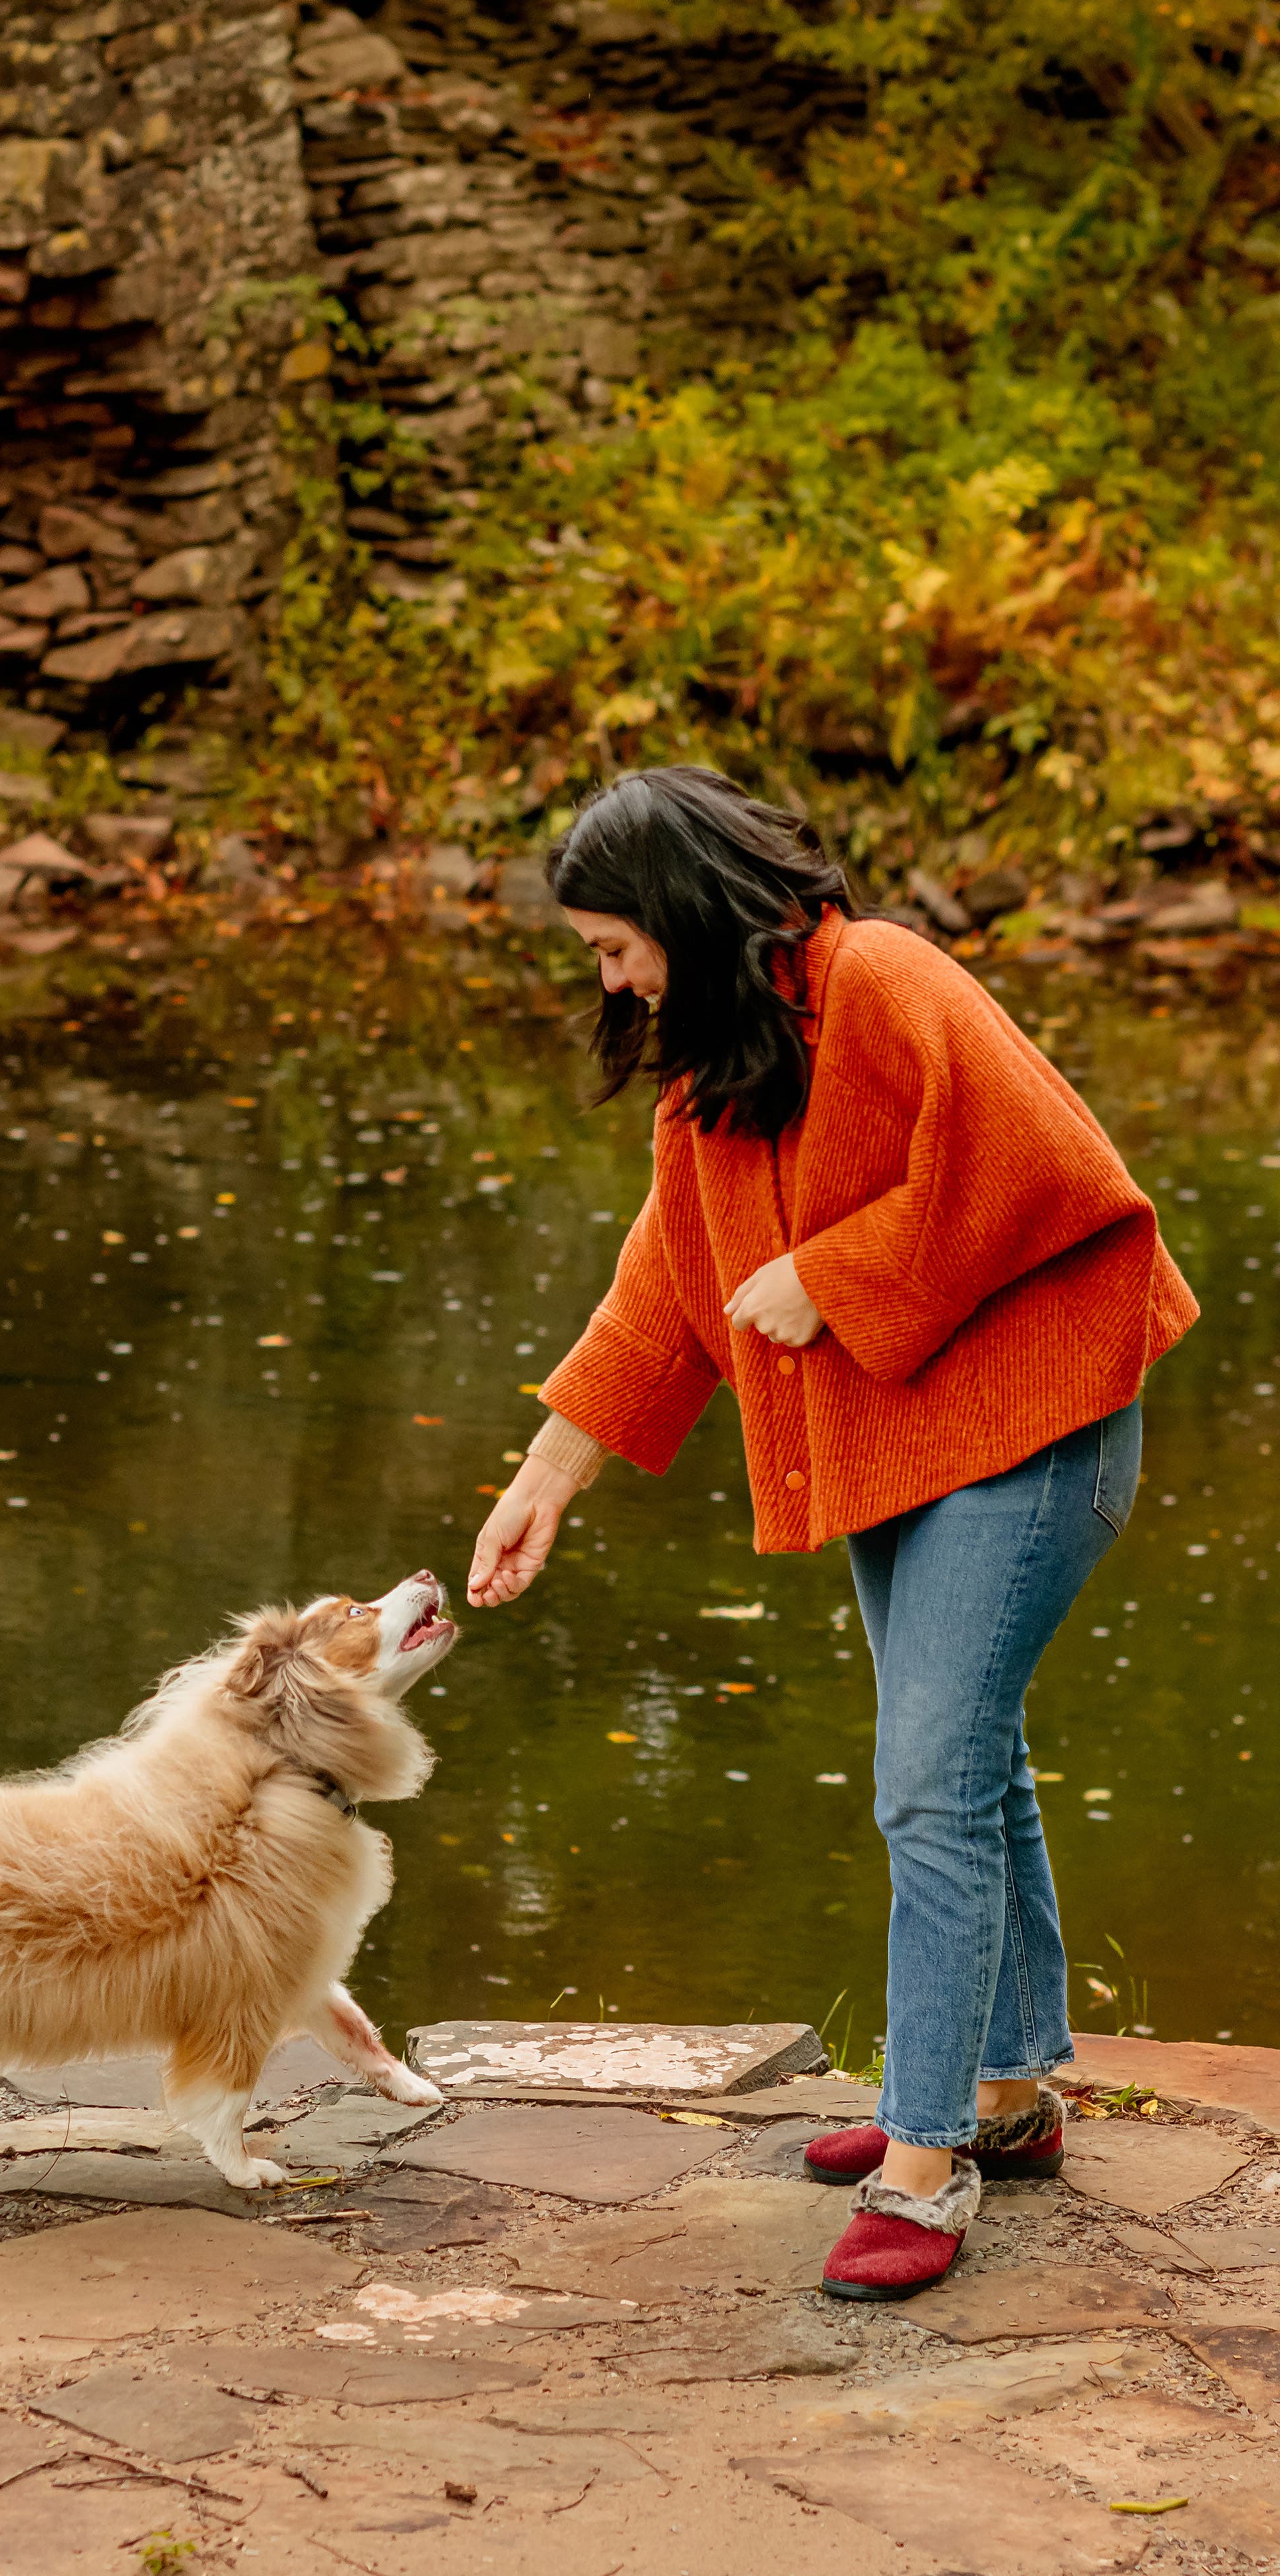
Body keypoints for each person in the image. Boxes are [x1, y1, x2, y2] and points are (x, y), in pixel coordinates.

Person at [465, 766, 1196, 2303]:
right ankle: (1005, 2095)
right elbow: (668, 1278)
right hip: (907, 1436)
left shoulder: (886, 978)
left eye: (614, 946)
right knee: (968, 1757)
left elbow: (1044, 1171)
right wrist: (547, 1471)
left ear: (678, 909)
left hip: (1042, 1422)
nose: (612, 979)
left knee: (929, 1775)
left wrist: (831, 1271)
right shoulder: (718, 1071)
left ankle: (927, 2163)